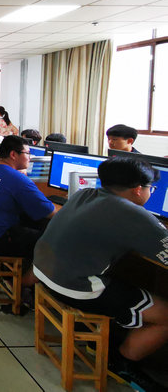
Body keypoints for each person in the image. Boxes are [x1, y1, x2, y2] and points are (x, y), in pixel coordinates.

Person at [33, 157, 168, 391]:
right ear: (138, 189)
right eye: (151, 189)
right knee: (165, 315)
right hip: (73, 287)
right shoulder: (135, 215)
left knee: (127, 279)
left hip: (44, 272)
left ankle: (106, 339)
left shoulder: (84, 194)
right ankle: (121, 363)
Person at [0, 135, 56, 286]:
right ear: (13, 154)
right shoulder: (16, 178)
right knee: (51, 242)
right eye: (27, 153)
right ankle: (24, 283)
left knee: (34, 224)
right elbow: (50, 212)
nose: (30, 158)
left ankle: (16, 274)